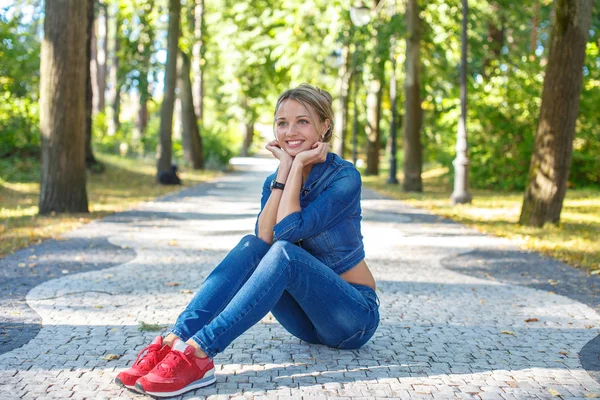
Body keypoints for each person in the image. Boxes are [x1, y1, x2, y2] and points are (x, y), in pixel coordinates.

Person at [114, 83, 380, 398]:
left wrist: (294, 168)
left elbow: (288, 233)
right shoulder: (274, 180)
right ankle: (174, 340)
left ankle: (200, 353)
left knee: (285, 253)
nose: (290, 131)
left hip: (352, 318)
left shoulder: (344, 178)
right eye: (282, 123)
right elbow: (262, 238)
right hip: (307, 325)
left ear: (325, 126)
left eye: (302, 121)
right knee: (252, 245)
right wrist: (285, 169)